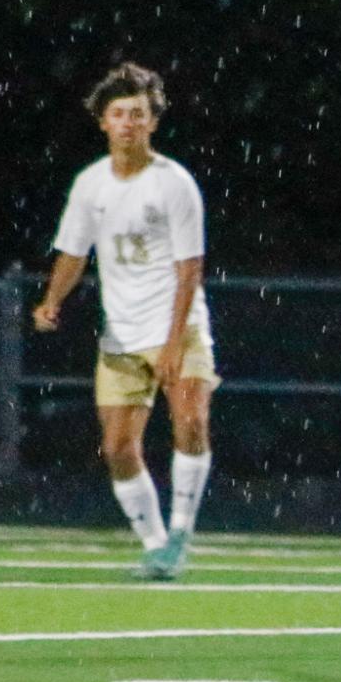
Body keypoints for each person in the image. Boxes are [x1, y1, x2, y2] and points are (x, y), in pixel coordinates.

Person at [34, 62, 217, 580]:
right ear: (104, 123)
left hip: (178, 326)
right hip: (121, 334)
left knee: (191, 422)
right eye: (119, 114)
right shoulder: (90, 184)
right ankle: (156, 545)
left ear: (152, 123)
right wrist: (52, 301)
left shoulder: (174, 183)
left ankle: (180, 533)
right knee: (117, 448)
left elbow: (190, 269)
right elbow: (73, 252)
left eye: (139, 114)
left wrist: (175, 341)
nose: (129, 122)